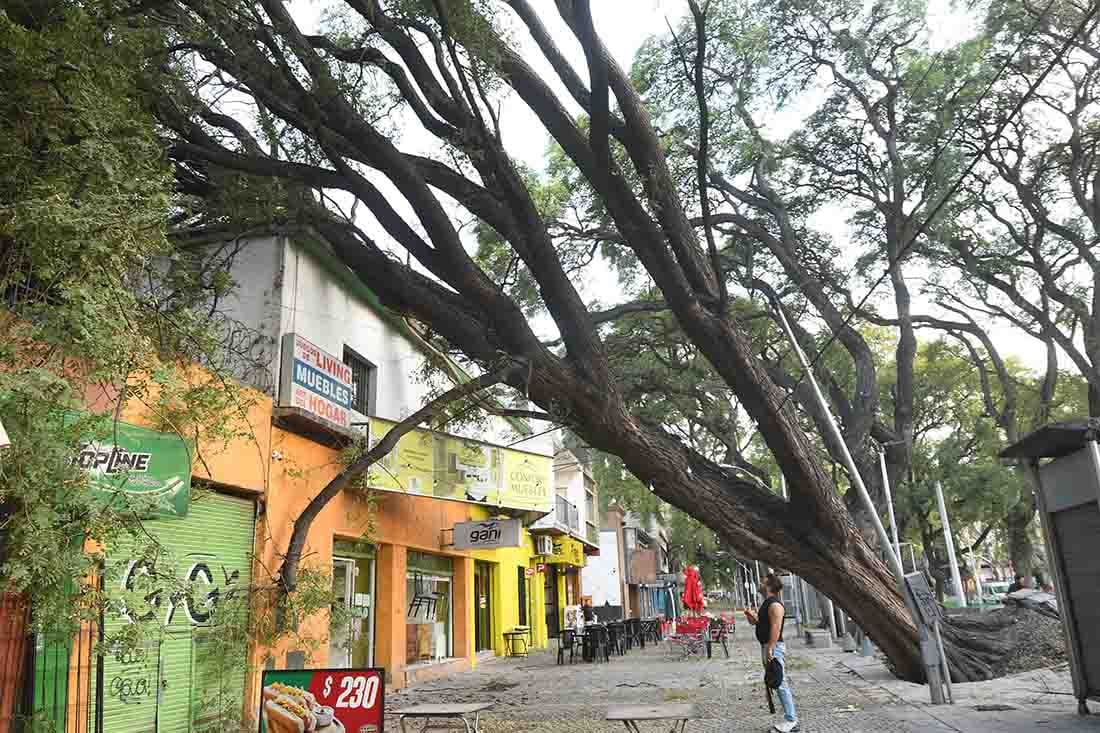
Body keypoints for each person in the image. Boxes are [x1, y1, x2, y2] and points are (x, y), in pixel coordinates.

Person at [745, 575, 799, 732]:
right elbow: (761, 623)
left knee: (781, 683)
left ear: (769, 585)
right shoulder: (766, 604)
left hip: (773, 648)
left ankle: (791, 720)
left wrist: (770, 648)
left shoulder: (775, 605)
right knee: (776, 682)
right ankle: (790, 718)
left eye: (762, 581)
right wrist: (752, 617)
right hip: (767, 646)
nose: (759, 583)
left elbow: (776, 628)